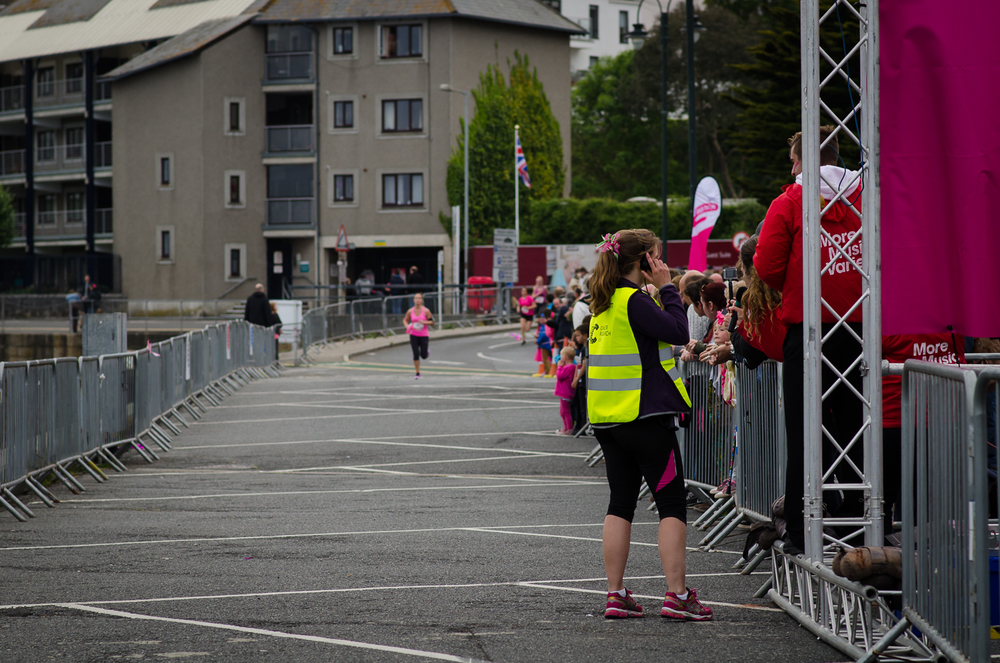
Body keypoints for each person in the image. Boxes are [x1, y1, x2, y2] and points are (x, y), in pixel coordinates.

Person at [587, 228, 712, 621]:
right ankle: (677, 595)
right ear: (644, 262)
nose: (661, 264)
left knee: (620, 503)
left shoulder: (602, 303)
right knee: (671, 503)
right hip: (645, 419)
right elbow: (678, 330)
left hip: (609, 420)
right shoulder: (633, 300)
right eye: (657, 257)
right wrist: (668, 288)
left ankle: (615, 593)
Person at [753, 125, 864, 555]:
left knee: (803, 430)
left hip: (810, 330)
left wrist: (798, 285)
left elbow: (765, 267)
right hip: (860, 330)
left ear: (800, 161)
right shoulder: (864, 195)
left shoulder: (790, 201)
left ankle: (799, 529)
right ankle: (861, 519)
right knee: (858, 428)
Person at [554, 346, 578, 434]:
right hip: (564, 392)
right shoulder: (570, 366)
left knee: (565, 412)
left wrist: (559, 367)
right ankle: (566, 428)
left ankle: (569, 428)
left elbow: (559, 376)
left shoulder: (569, 367)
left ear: (565, 357)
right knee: (562, 412)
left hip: (565, 392)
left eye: (561, 356)